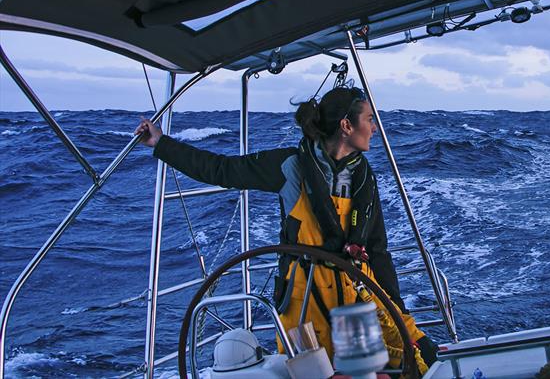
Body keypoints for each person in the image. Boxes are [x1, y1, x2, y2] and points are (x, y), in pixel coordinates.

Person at [134, 86, 437, 367]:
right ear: (346, 126)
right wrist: (161, 143)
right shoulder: (289, 166)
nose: (374, 128)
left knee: (395, 363)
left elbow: (377, 249)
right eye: (369, 119)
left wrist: (397, 307)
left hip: (358, 297)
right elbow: (221, 170)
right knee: (313, 373)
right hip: (303, 304)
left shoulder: (364, 179)